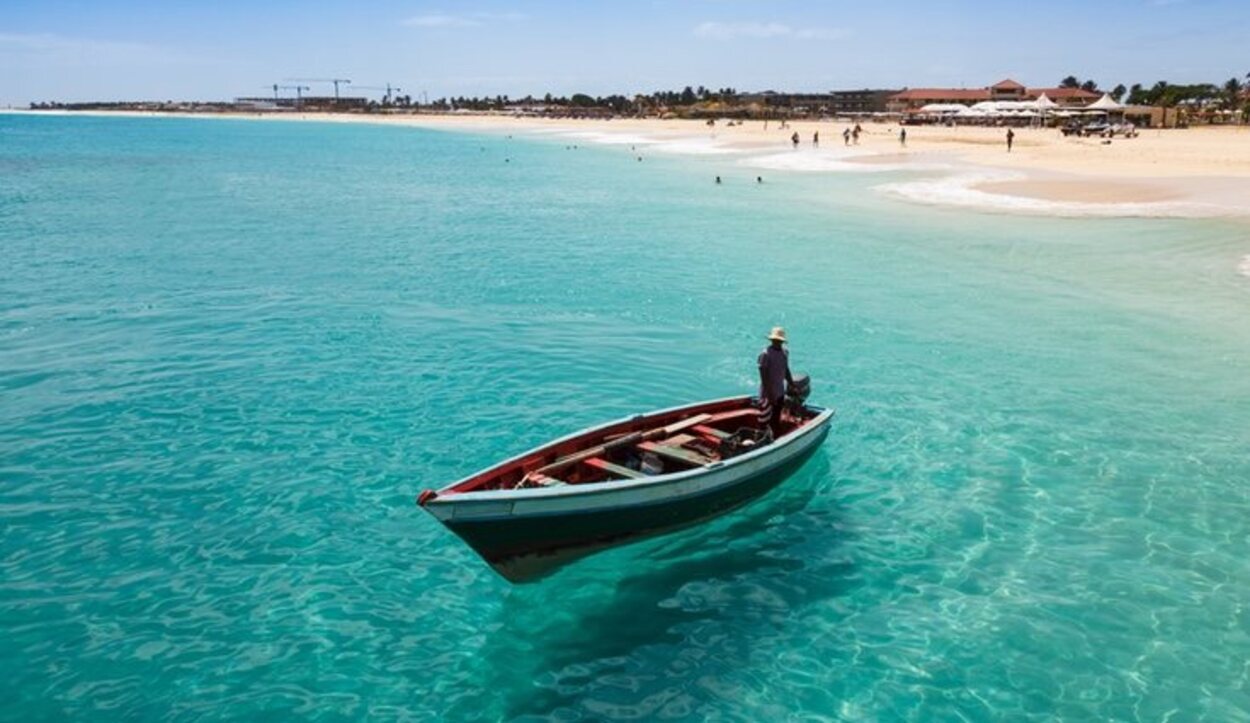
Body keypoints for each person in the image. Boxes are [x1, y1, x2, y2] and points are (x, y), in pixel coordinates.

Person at [757, 327, 794, 440]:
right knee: (764, 420)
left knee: (775, 418)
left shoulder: (785, 353)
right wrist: (770, 394)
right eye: (775, 340)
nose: (777, 342)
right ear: (771, 340)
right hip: (767, 395)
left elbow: (786, 369)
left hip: (779, 392)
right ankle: (761, 440)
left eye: (779, 341)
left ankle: (775, 439)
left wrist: (791, 383)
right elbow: (764, 377)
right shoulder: (765, 354)